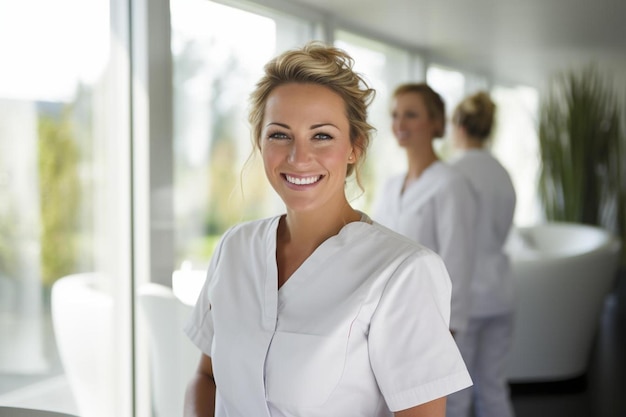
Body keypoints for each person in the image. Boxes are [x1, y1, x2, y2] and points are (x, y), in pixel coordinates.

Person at [183, 42, 472, 417]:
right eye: (279, 134)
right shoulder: (234, 248)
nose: (298, 157)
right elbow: (207, 377)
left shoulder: (403, 272)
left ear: (355, 147)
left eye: (321, 135)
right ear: (259, 142)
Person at [372, 83, 478, 337]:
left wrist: (449, 327)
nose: (400, 124)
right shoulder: (390, 186)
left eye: (411, 115)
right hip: (387, 315)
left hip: (431, 320)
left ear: (436, 123)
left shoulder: (450, 184)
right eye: (395, 115)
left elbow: (458, 259)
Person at [446, 91, 517, 417]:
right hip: (501, 292)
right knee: (492, 387)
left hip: (465, 300)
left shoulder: (451, 174)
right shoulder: (502, 172)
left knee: (455, 396)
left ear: (458, 125)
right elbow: (502, 232)